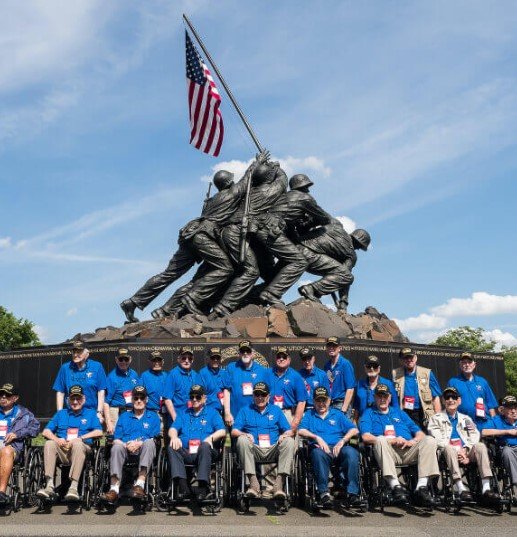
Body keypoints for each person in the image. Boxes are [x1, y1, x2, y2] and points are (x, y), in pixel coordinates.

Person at [359, 383, 439, 506]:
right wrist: (391, 440)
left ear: (390, 398)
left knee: (430, 440)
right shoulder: (368, 413)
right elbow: (365, 436)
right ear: (375, 398)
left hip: (408, 450)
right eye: (379, 396)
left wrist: (412, 441)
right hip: (387, 452)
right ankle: (395, 486)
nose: (382, 399)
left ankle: (421, 487)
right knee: (380, 439)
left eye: (385, 396)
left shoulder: (399, 412)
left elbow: (419, 434)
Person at [428, 386, 500, 502]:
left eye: (454, 397)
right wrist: (458, 451)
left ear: (459, 400)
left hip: (467, 452)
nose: (451, 400)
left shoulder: (466, 418)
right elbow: (439, 439)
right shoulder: (435, 419)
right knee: (448, 448)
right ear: (443, 401)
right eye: (447, 397)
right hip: (447, 453)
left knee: (480, 446)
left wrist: (466, 450)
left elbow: (475, 435)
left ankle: (486, 488)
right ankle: (460, 488)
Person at [37, 385, 102, 501]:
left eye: (78, 399)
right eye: (72, 399)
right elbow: (46, 431)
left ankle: (73, 488)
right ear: (68, 400)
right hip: (63, 448)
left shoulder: (91, 413)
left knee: (77, 444)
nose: (75, 402)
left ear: (84, 399)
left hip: (82, 449)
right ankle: (49, 485)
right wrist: (57, 439)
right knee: (49, 444)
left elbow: (98, 431)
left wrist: (81, 438)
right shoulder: (61, 413)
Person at [298, 386, 361, 507]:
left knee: (352, 452)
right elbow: (301, 430)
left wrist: (342, 441)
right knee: (317, 454)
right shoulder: (309, 415)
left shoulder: (337, 414)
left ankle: (353, 493)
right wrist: (317, 437)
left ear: (329, 400)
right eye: (318, 400)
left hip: (339, 448)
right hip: (321, 450)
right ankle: (323, 493)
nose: (321, 403)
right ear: (314, 401)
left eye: (324, 400)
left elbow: (354, 430)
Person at [231, 382, 295, 499]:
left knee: (289, 441)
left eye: (263, 394)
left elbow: (290, 431)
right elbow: (234, 431)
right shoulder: (245, 410)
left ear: (268, 396)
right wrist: (245, 434)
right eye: (257, 394)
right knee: (241, 440)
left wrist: (284, 435)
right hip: (254, 448)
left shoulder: (276, 410)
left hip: (273, 448)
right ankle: (253, 484)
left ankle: (279, 484)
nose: (260, 397)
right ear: (253, 396)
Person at [101, 386, 160, 502]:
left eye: (142, 398)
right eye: (136, 398)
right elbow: (117, 438)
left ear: (146, 400)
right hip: (125, 450)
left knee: (149, 442)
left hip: (144, 451)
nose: (139, 400)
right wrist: (126, 445)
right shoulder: (124, 416)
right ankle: (114, 489)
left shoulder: (153, 417)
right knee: (116, 446)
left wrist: (139, 443)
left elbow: (155, 437)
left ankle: (140, 484)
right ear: (132, 400)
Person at [167, 385, 226, 501]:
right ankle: (183, 487)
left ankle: (202, 487)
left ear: (204, 398)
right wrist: (174, 437)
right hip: (187, 452)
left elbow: (222, 431)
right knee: (171, 446)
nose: (194, 399)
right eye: (192, 397)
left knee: (204, 446)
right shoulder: (184, 413)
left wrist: (210, 438)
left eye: (197, 397)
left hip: (205, 452)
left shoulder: (212, 413)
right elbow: (172, 429)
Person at [0, 383, 39, 505]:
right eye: (1, 395)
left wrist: (17, 434)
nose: (3, 397)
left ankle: (1, 493)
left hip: (12, 449)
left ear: (15, 398)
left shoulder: (24, 414)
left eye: (7, 395)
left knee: (6, 450)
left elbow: (35, 429)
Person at [52, 341, 107, 426]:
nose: (75, 354)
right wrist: (60, 413)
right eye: (74, 351)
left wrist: (99, 412)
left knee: (87, 438)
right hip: (71, 412)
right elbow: (60, 392)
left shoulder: (97, 366)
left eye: (79, 352)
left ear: (87, 353)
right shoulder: (65, 368)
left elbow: (101, 391)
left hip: (90, 412)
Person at [392, 347, 442, 429]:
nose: (409, 360)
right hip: (405, 413)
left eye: (411, 357)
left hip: (424, 412)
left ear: (415, 358)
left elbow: (436, 397)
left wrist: (438, 417)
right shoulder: (395, 374)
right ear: (401, 360)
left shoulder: (427, 373)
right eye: (405, 358)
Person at [223, 340, 267, 427]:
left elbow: (267, 395)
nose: (245, 353)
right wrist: (227, 413)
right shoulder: (231, 368)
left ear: (253, 353)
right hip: (235, 416)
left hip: (256, 416)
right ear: (239, 354)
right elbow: (227, 391)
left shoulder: (261, 370)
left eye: (248, 351)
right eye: (243, 351)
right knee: (236, 440)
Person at [447, 352, 498, 427]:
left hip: (485, 423)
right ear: (460, 365)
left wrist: (494, 423)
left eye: (469, 362)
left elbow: (491, 405)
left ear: (474, 365)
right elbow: (449, 405)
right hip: (464, 424)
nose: (467, 365)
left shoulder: (482, 381)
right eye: (464, 363)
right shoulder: (453, 382)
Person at [480, 395, 517, 495]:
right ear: (502, 410)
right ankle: (515, 483)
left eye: (515, 408)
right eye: (510, 408)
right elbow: (484, 432)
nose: (513, 411)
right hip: (507, 449)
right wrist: (507, 432)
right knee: (507, 451)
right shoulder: (497, 420)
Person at [265, 347, 307, 430]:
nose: (281, 359)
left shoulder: (296, 376)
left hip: (288, 413)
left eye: (284, 357)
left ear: (289, 359)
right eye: (279, 357)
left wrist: (296, 421)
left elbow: (302, 401)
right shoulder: (267, 373)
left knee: (289, 441)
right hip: (270, 413)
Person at [104, 348, 140, 434]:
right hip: (115, 410)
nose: (123, 362)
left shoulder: (134, 374)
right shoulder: (112, 377)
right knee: (116, 437)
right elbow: (105, 402)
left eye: (126, 359)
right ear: (116, 360)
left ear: (130, 359)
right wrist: (108, 422)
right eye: (121, 359)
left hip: (131, 410)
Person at [163, 346, 202, 423]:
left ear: (192, 360)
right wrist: (175, 418)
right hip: (178, 417)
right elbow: (167, 399)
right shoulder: (172, 374)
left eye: (189, 358)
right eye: (184, 358)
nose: (187, 361)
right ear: (179, 359)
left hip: (193, 417)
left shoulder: (195, 375)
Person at [323, 337, 356, 417]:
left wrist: (344, 409)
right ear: (326, 348)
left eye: (334, 346)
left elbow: (350, 389)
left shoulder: (345, 364)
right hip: (329, 405)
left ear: (339, 348)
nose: (331, 348)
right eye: (329, 346)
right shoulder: (327, 365)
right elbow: (330, 383)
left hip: (341, 404)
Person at [139, 351, 168, 416]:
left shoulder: (166, 376)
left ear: (162, 362)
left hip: (166, 413)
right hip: (150, 413)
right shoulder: (144, 376)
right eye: (154, 360)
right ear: (149, 362)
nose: (157, 363)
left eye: (159, 360)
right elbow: (139, 396)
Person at [199, 347, 228, 412]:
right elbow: (199, 394)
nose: (215, 360)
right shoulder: (203, 373)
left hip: (224, 410)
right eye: (213, 358)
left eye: (217, 358)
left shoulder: (224, 373)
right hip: (208, 410)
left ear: (220, 359)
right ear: (208, 359)